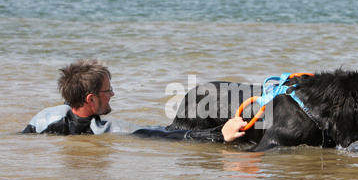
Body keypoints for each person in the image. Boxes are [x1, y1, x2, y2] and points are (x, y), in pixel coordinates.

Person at [22, 59, 247, 143]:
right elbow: (160, 135)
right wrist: (220, 135)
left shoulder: (43, 119)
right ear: (91, 99)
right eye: (107, 90)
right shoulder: (103, 129)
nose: (113, 94)